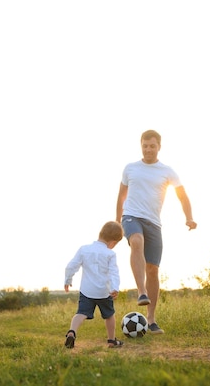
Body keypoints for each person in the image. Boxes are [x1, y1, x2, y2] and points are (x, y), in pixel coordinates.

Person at [116, 129, 197, 335]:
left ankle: (151, 320)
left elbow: (183, 196)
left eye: (152, 146)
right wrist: (118, 221)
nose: (148, 149)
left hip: (154, 222)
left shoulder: (167, 171)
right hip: (131, 216)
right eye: (145, 146)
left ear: (159, 147)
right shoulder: (130, 168)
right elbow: (121, 196)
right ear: (141, 146)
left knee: (153, 270)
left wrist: (188, 217)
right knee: (136, 240)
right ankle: (141, 291)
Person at [64, 220, 124, 349]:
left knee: (81, 313)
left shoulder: (84, 249)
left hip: (87, 291)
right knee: (109, 316)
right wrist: (115, 288)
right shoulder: (110, 254)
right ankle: (111, 340)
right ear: (113, 242)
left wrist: (68, 280)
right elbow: (114, 272)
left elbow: (71, 266)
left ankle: (72, 332)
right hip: (104, 292)